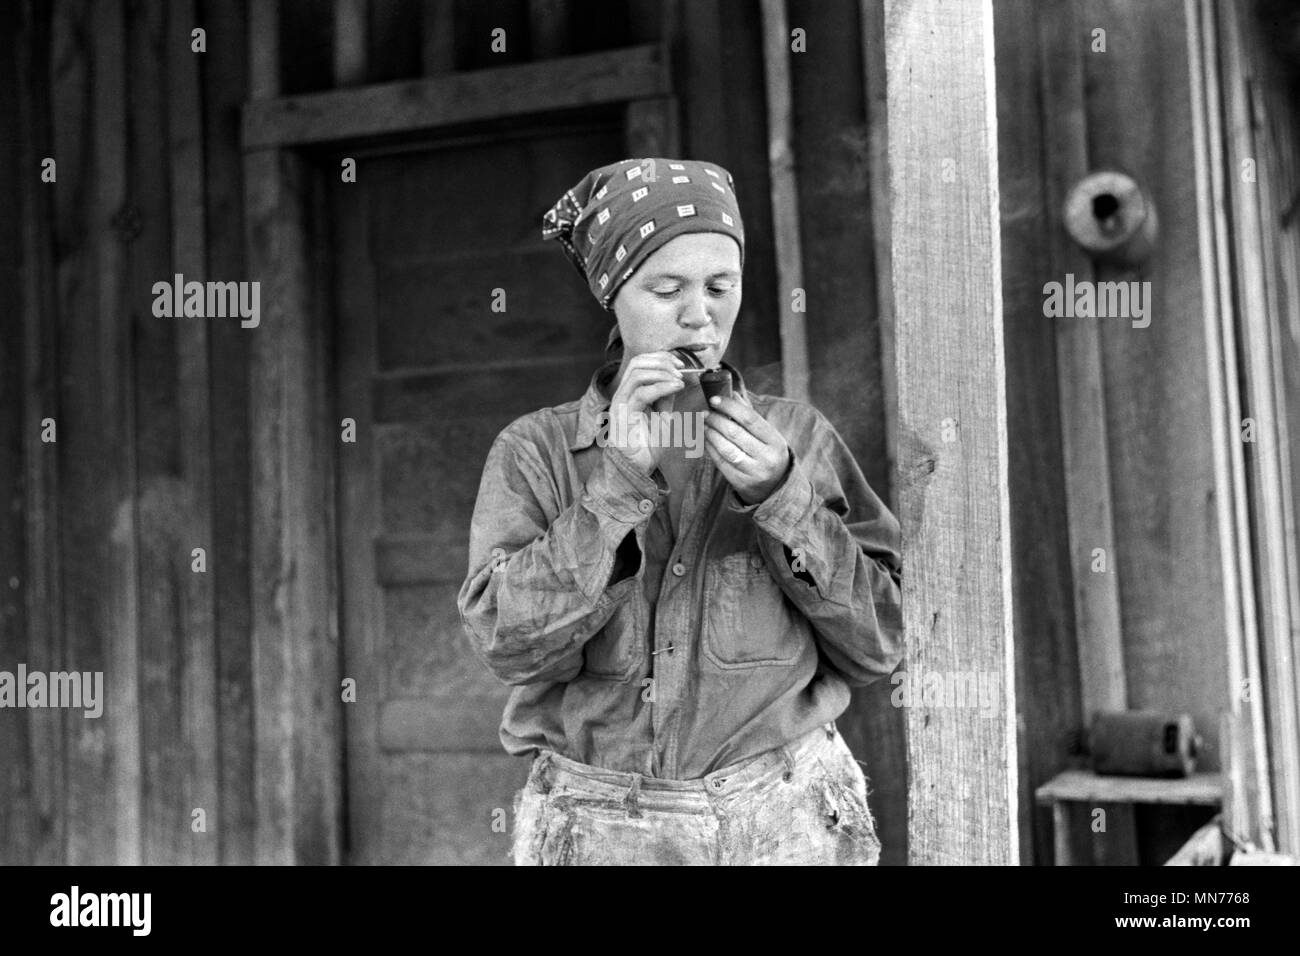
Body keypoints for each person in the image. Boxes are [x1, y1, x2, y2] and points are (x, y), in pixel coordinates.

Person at [457, 157, 904, 865]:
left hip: (784, 814)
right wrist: (617, 486)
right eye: (667, 289)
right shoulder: (536, 451)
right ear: (614, 295)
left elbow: (880, 643)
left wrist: (782, 497)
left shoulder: (798, 438)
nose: (700, 315)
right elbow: (510, 646)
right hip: (599, 824)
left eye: (720, 287)